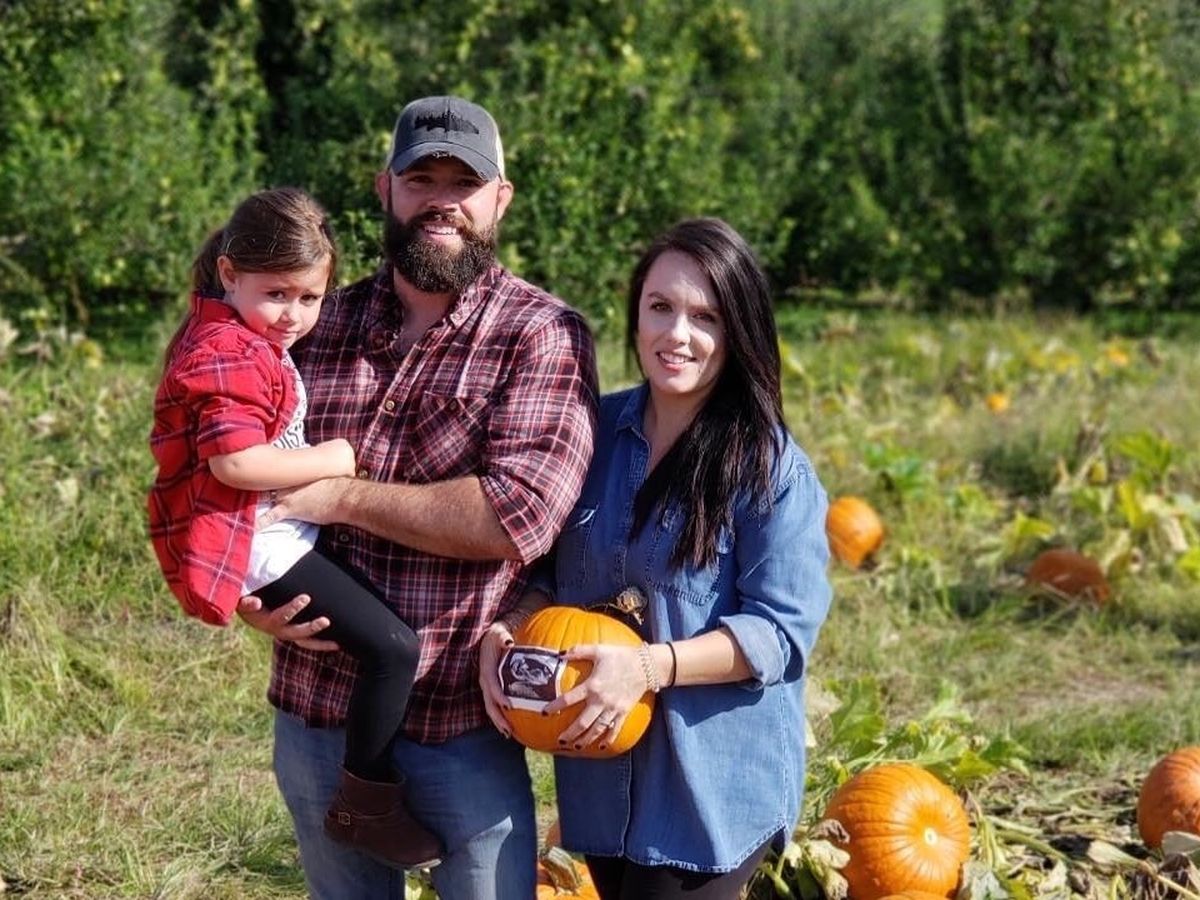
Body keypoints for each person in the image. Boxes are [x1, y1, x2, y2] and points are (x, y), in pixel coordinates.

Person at [235, 96, 598, 900]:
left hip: (457, 722)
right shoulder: (314, 322)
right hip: (316, 712)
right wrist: (241, 590)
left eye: (464, 183)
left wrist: (339, 496)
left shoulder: (541, 334)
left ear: (500, 198)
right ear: (385, 189)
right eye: (421, 179)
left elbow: (518, 514)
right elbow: (221, 460)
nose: (442, 201)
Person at [480, 218, 833, 899]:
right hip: (598, 772)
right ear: (635, 313)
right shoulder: (592, 433)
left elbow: (781, 634)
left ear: (740, 330)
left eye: (706, 317)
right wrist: (512, 627)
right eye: (661, 307)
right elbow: (549, 568)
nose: (678, 334)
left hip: (709, 791)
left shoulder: (769, 468)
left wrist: (647, 667)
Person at [147, 187, 442, 869]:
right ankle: (365, 805)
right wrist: (338, 459)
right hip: (261, 540)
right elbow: (235, 461)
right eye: (277, 294)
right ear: (230, 275)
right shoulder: (229, 351)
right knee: (393, 649)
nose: (294, 315)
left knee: (387, 630)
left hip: (276, 532)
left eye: (310, 298)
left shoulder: (243, 335)